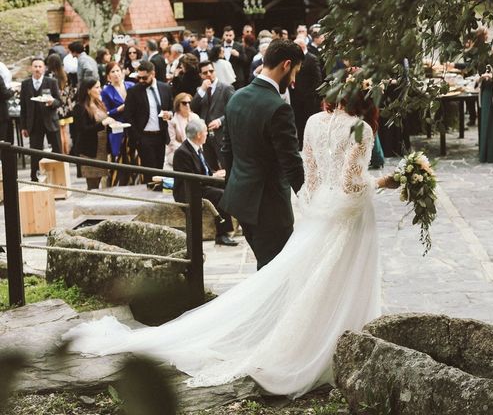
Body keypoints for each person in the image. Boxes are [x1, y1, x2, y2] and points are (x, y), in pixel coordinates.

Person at [63, 70, 399, 399]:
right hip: (348, 216)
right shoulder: (361, 129)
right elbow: (352, 184)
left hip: (320, 213)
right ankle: (335, 348)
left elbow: (310, 179)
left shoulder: (312, 122)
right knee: (342, 282)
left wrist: (315, 209)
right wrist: (387, 182)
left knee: (314, 282)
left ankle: (312, 341)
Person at [219, 39, 305, 270]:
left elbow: (227, 151)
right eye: (295, 72)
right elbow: (292, 163)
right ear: (286, 65)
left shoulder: (235, 97)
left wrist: (233, 187)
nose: (294, 80)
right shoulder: (278, 108)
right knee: (275, 275)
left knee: (265, 270)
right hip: (270, 209)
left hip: (241, 202)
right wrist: (309, 199)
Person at [171, 119, 237, 246]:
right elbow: (192, 178)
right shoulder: (182, 153)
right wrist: (213, 176)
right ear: (199, 135)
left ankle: (241, 221)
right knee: (220, 194)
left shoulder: (197, 147)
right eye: (206, 132)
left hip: (201, 184)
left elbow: (204, 169)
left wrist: (216, 174)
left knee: (230, 183)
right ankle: (222, 234)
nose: (208, 134)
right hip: (189, 190)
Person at [124, 60, 172, 182]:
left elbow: (172, 108)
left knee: (159, 171)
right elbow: (128, 115)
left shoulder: (165, 88)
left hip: (161, 135)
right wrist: (137, 137)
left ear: (153, 74)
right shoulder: (134, 91)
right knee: (149, 173)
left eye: (144, 78)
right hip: (144, 136)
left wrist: (170, 114)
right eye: (138, 78)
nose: (141, 81)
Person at [20, 57, 62, 181]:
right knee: (35, 152)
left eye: (40, 66)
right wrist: (23, 126)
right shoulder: (25, 84)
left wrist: (52, 102)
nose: (37, 69)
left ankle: (59, 178)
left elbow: (59, 101)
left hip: (50, 121)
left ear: (44, 68)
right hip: (34, 122)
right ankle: (35, 178)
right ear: (31, 68)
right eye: (35, 66)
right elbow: (23, 107)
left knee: (57, 151)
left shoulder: (51, 82)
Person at [190, 61, 235, 171]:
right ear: (201, 75)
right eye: (205, 73)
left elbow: (233, 110)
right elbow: (193, 108)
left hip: (222, 135)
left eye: (211, 71)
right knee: (210, 168)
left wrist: (220, 121)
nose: (209, 74)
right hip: (205, 137)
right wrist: (202, 90)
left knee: (226, 167)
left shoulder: (226, 88)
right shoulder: (200, 90)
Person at [72, 78, 115, 190]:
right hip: (89, 151)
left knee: (101, 180)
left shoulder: (99, 103)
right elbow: (82, 130)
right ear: (88, 90)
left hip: (102, 148)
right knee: (92, 184)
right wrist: (103, 124)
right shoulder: (80, 107)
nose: (100, 90)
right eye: (97, 87)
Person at [290, 38, 323, 149]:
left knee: (310, 122)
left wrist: (311, 94)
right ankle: (301, 144)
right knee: (298, 122)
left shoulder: (312, 59)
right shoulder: (293, 60)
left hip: (309, 99)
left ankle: (312, 145)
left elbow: (317, 79)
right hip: (296, 98)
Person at [101, 62, 134, 166]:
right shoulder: (106, 91)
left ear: (122, 72)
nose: (116, 74)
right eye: (112, 71)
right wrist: (118, 109)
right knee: (118, 157)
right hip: (117, 128)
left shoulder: (131, 86)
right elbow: (106, 113)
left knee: (133, 156)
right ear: (108, 76)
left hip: (132, 126)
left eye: (118, 71)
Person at [46, 54, 74, 155]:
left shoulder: (49, 76)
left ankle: (61, 153)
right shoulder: (65, 74)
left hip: (56, 106)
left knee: (58, 133)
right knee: (65, 132)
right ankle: (67, 151)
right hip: (66, 106)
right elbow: (71, 90)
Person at [165, 92, 199, 167]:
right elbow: (172, 142)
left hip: (195, 151)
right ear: (178, 105)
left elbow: (200, 137)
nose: (187, 105)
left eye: (189, 102)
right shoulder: (173, 120)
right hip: (177, 152)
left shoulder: (196, 117)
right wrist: (187, 151)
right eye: (184, 103)